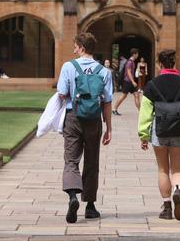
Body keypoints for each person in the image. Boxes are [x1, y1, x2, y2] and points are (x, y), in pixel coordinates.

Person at [56, 32, 113, 224]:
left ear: (81, 48)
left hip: (73, 117)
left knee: (71, 159)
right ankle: (90, 206)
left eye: (75, 47)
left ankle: (72, 197)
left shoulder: (68, 67)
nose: (74, 50)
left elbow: (62, 93)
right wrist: (109, 128)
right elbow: (107, 102)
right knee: (92, 161)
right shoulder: (104, 71)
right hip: (94, 119)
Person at [138, 49, 180, 221]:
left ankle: (167, 209)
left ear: (159, 64)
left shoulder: (152, 85)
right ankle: (178, 188)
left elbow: (145, 113)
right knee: (178, 169)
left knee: (163, 169)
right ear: (174, 64)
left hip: (160, 131)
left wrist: (143, 135)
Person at [112, 48, 140, 115]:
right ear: (134, 54)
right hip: (127, 82)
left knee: (136, 95)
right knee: (124, 96)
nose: (138, 55)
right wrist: (133, 81)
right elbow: (128, 72)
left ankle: (140, 112)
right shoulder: (129, 62)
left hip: (130, 82)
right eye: (137, 54)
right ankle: (114, 108)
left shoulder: (132, 62)